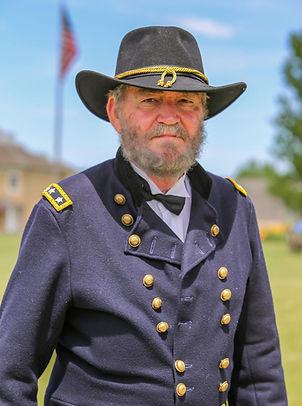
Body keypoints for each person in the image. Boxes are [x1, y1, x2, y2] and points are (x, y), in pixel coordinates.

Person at [0, 26, 287, 406]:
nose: (169, 117)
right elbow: (8, 373)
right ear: (115, 113)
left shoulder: (235, 206)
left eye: (185, 102)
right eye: (150, 100)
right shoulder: (67, 214)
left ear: (202, 115)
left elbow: (259, 368)